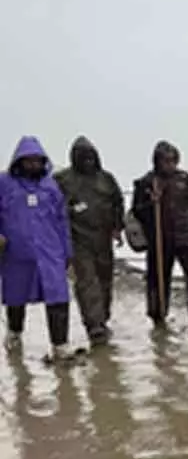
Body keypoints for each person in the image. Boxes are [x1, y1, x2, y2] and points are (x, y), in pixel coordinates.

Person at [0, 136, 75, 362]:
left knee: (58, 296)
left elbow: (62, 220)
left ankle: (60, 345)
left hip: (50, 252)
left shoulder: (51, 186)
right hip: (16, 253)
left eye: (37, 160)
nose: (33, 165)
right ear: (19, 161)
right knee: (16, 297)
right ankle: (14, 333)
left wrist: (67, 251)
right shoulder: (4, 184)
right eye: (28, 160)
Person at [54, 136, 124, 346]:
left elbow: (118, 202)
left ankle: (103, 318)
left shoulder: (106, 179)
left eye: (91, 157)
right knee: (87, 281)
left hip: (103, 238)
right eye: (83, 157)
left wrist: (117, 227)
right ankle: (94, 326)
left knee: (105, 281)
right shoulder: (62, 180)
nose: (87, 161)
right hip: (78, 239)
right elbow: (51, 206)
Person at [130, 141, 188, 327]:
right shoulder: (147, 182)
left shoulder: (185, 180)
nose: (170, 165)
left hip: (186, 236)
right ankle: (158, 316)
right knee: (157, 279)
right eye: (166, 161)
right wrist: (151, 203)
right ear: (157, 162)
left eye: (173, 160)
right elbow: (137, 212)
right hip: (160, 239)